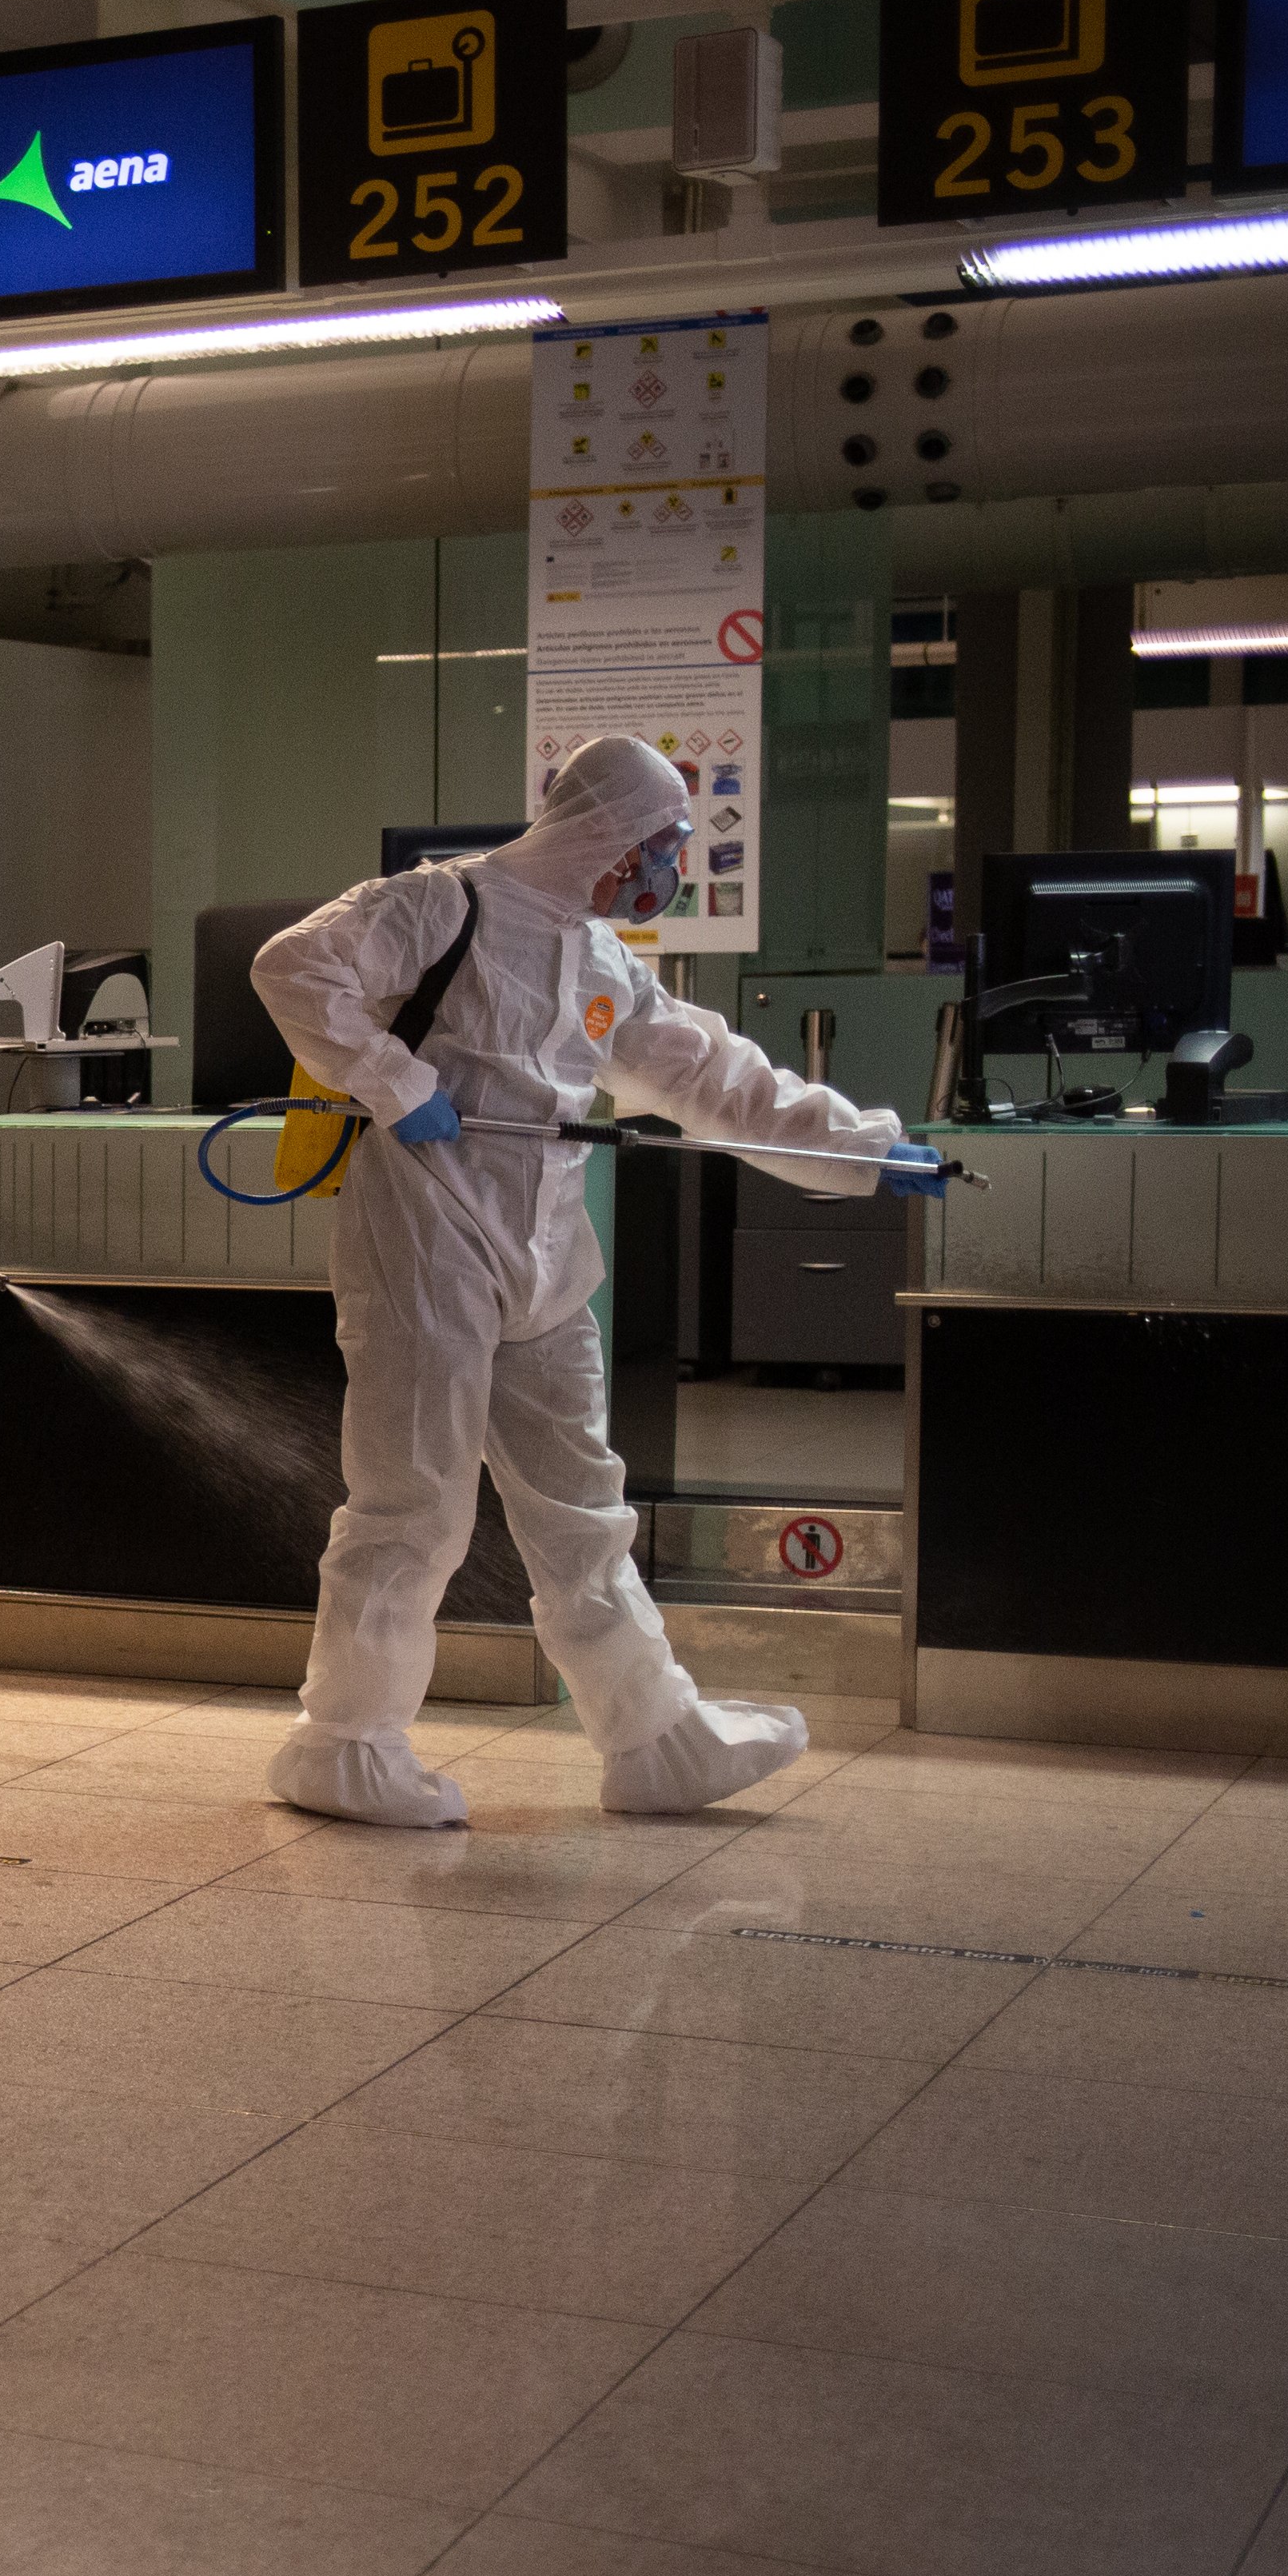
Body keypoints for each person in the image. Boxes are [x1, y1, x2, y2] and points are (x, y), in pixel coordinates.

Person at [248, 734, 949, 1829]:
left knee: (583, 1505)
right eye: (664, 845)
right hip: (424, 1235)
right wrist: (391, 1079)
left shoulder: (600, 959)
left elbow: (715, 1078)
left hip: (544, 1254)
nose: (669, 870)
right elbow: (293, 964)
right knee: (413, 1500)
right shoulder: (442, 907)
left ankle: (650, 1734)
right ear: (610, 837)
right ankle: (342, 1740)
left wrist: (861, 1147)